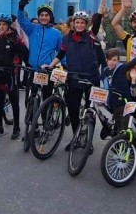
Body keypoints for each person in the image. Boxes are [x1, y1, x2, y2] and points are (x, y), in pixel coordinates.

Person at [46, 10, 107, 151]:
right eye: (77, 22)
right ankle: (76, 138)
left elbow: (97, 19)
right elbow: (60, 54)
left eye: (82, 23)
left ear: (86, 25)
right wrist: (50, 66)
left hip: (91, 78)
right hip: (73, 78)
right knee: (73, 110)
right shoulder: (66, 38)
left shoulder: (91, 36)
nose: (79, 25)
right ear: (73, 23)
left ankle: (88, 141)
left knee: (89, 112)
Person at [18, 0, 64, 103]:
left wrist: (65, 65)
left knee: (46, 98)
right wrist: (21, 6)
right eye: (42, 15)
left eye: (46, 15)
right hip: (33, 69)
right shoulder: (32, 29)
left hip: (47, 70)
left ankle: (45, 119)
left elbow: (61, 51)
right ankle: (31, 116)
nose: (44, 17)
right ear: (38, 17)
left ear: (50, 17)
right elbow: (21, 20)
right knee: (30, 99)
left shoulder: (56, 34)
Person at [101, 48, 136, 139]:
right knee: (118, 124)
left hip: (124, 103)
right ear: (106, 60)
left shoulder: (121, 68)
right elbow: (104, 85)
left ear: (118, 60)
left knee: (124, 128)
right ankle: (117, 140)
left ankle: (129, 142)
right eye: (109, 59)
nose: (111, 62)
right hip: (113, 103)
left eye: (114, 60)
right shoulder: (105, 71)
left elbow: (131, 63)